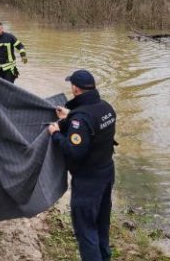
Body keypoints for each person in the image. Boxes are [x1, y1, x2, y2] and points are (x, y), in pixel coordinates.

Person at [47, 69, 117, 261]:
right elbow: (92, 126)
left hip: (88, 181)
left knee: (86, 230)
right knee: (102, 224)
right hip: (106, 173)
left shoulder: (80, 118)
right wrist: (69, 116)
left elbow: (74, 151)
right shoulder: (106, 108)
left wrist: (55, 133)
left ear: (76, 89)